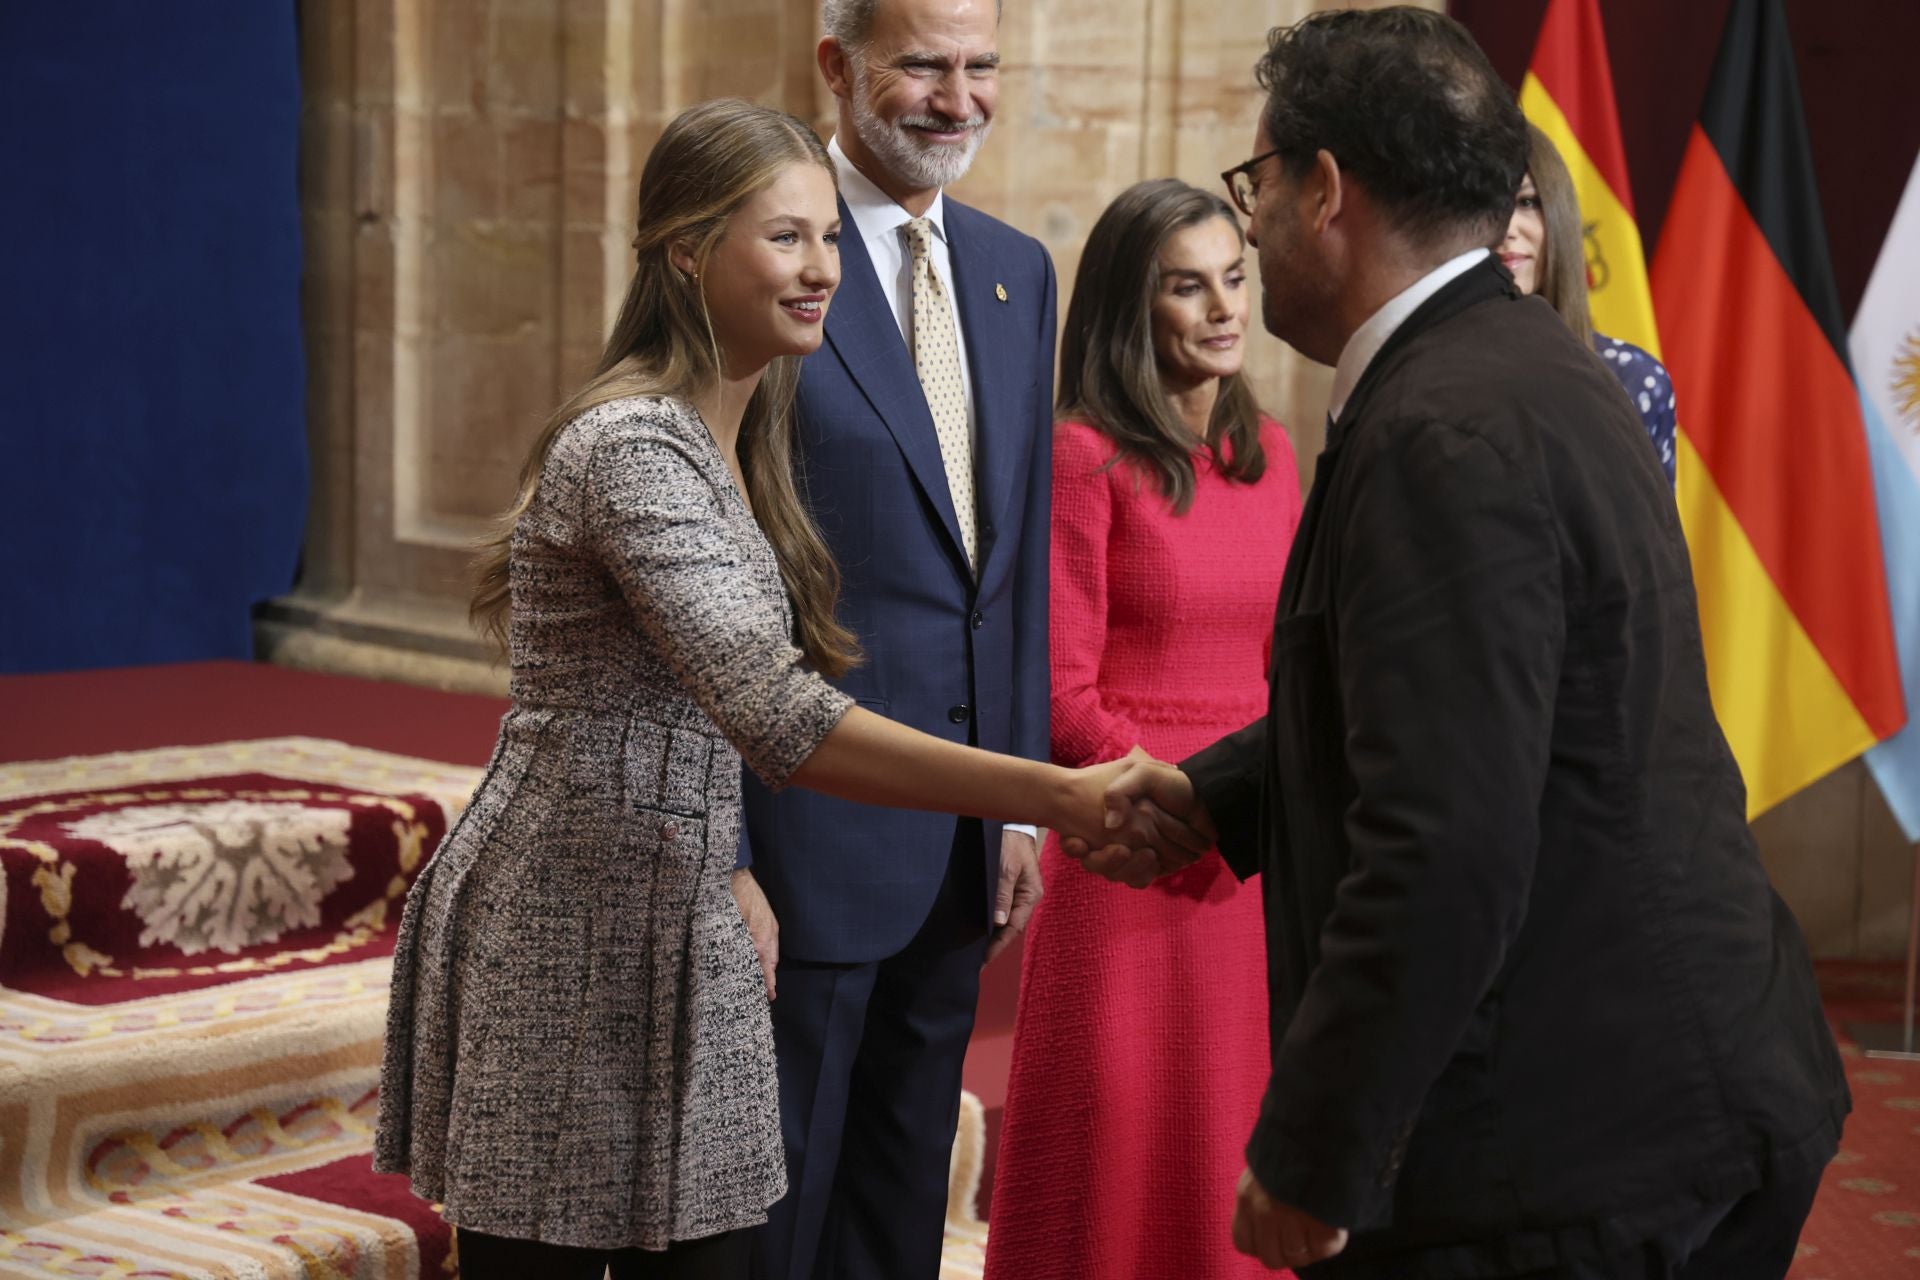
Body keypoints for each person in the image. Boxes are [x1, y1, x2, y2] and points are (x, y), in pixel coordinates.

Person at [1076, 9, 1849, 1278]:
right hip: (1663, 1087)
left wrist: (1318, 1144)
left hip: (1572, 1146)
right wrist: (1218, 794)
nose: (1252, 228)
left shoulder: (1440, 426)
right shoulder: (1520, 360)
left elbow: (1450, 833)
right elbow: (1494, 706)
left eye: (1256, 185)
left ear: (1325, 190)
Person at [372, 98, 1190, 1280]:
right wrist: (1055, 792)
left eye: (829, 236)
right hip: (566, 913)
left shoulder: (746, 431)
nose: (823, 270)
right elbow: (778, 711)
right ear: (686, 250)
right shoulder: (633, 446)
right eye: (786, 238)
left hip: (684, 900)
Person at [735, 2, 1057, 1277]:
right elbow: (712, 573)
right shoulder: (765, 259)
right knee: (773, 1214)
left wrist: (1017, 798)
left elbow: (1010, 569)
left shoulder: (1017, 270)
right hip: (805, 832)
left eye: (981, 67)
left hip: (962, 838)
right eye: (923, 64)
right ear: (837, 65)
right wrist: (728, 847)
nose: (957, 99)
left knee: (899, 1205)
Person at [983, 179, 1302, 1280]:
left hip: (1247, 858)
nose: (1223, 308)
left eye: (1235, 278)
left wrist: (1241, 802)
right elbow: (1061, 694)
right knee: (1117, 1158)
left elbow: (1287, 666)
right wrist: (1183, 803)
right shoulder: (1084, 455)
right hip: (1128, 845)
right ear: (1132, 305)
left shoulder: (1273, 454)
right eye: (1187, 286)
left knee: (1231, 1143)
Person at [1500, 123, 1676, 484]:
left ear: (1559, 216)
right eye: (1489, 207)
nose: (1507, 228)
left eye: (1527, 202)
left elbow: (1653, 523)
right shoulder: (1425, 374)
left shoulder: (1633, 381)